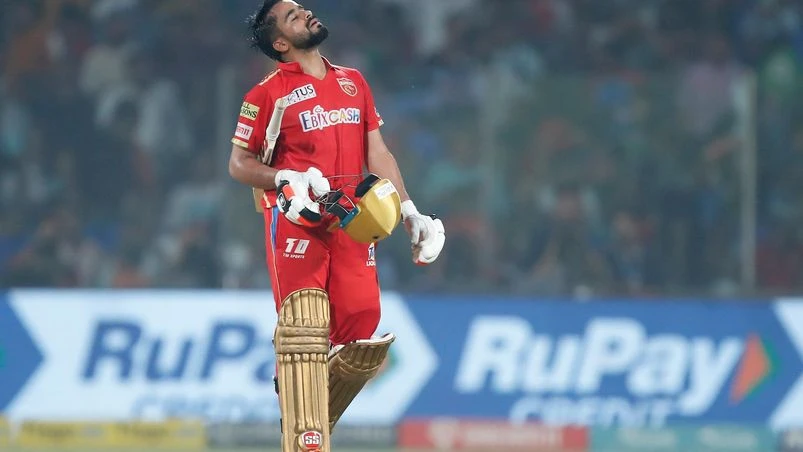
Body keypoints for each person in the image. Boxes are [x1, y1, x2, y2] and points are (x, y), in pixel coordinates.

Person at [227, 1, 444, 450]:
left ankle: (298, 402)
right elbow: (239, 164)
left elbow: (378, 152)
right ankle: (306, 431)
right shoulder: (266, 94)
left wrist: (407, 210)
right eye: (292, 16)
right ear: (280, 43)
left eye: (302, 7)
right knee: (305, 321)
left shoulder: (353, 81)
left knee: (363, 332)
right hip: (298, 220)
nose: (305, 12)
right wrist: (283, 176)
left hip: (356, 220)